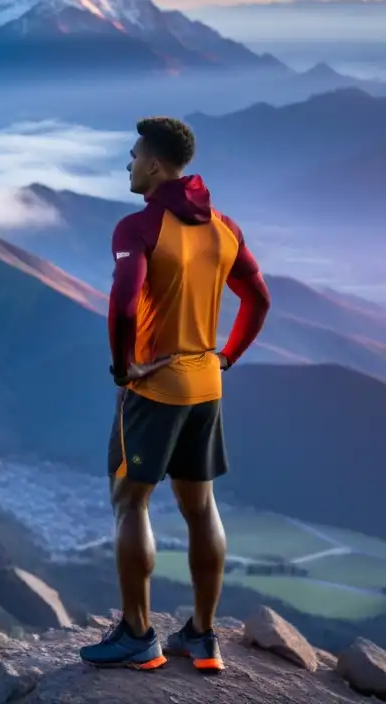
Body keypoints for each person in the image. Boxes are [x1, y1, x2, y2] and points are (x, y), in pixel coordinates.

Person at [79, 117, 271, 673]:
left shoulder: (137, 228)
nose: (129, 163)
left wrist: (125, 367)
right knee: (201, 506)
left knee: (129, 502)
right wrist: (226, 356)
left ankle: (139, 636)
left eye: (134, 155)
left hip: (155, 389)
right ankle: (203, 637)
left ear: (156, 165)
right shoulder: (224, 228)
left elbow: (122, 304)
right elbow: (258, 299)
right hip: (206, 386)